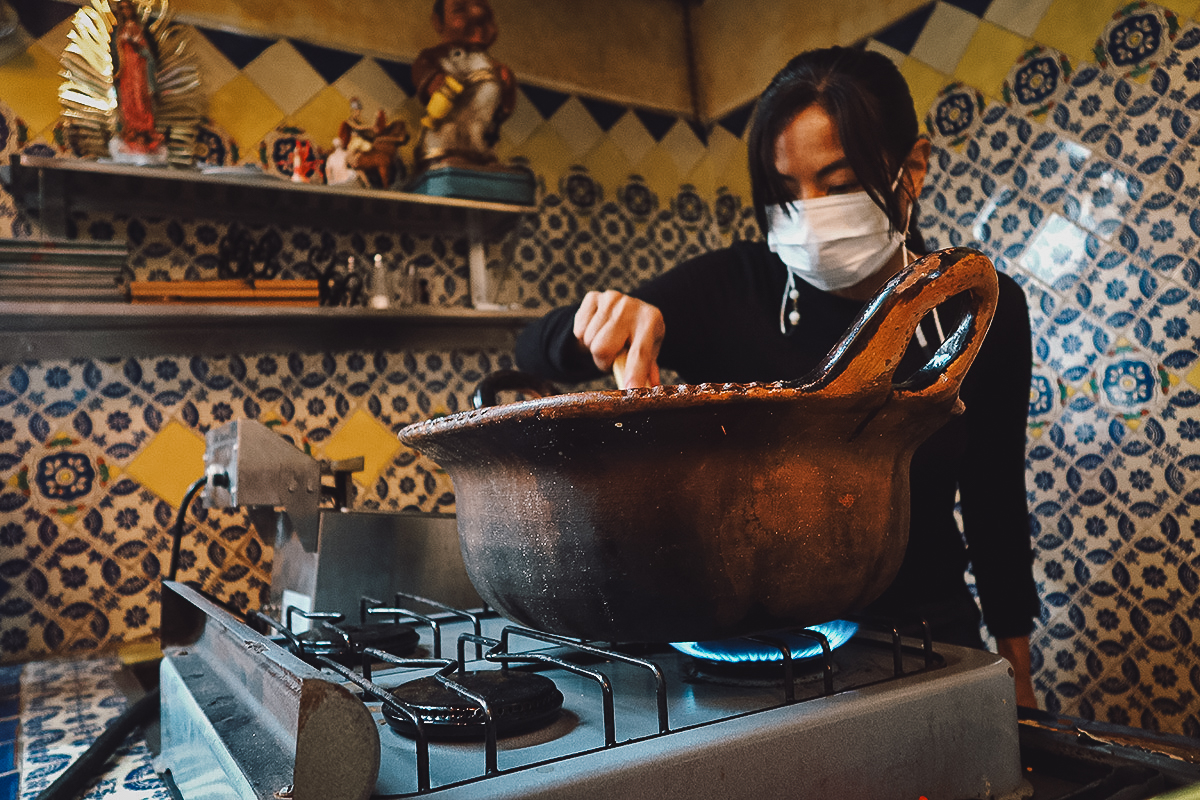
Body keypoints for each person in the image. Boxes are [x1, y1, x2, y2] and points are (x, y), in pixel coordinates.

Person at [515, 46, 1041, 707]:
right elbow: (534, 348)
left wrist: (1016, 671)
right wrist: (595, 325)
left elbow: (995, 498)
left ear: (912, 168)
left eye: (839, 182)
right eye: (786, 191)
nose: (810, 212)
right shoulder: (735, 287)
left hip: (929, 638)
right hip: (753, 656)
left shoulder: (978, 305)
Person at [411, 0, 517, 171]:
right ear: (438, 21)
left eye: (481, 9)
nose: (475, 14)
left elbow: (502, 110)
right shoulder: (433, 57)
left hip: (481, 150)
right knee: (452, 163)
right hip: (442, 148)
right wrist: (436, 82)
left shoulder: (493, 67)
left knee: (492, 170)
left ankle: (484, 162)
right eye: (460, 10)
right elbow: (425, 76)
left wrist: (507, 88)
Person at [112, 0, 162, 153]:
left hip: (139, 68)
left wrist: (137, 46)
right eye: (122, 8)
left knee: (140, 97)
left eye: (128, 7)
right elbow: (117, 52)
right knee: (128, 98)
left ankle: (144, 128)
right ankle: (131, 128)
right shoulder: (120, 30)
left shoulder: (140, 28)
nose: (125, 10)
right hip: (126, 70)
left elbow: (147, 50)